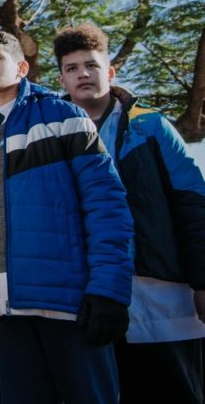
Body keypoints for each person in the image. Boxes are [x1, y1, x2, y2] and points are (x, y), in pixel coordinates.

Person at [0, 29, 134, 404]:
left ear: (22, 66)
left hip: (70, 302)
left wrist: (109, 290)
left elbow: (106, 206)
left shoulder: (63, 116)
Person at [54, 22, 205, 401]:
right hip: (87, 293)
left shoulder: (151, 125)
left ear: (110, 71)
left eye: (90, 64)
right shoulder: (51, 132)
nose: (82, 74)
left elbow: (192, 203)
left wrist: (203, 280)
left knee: (176, 388)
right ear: (62, 77)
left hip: (160, 288)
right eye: (71, 68)